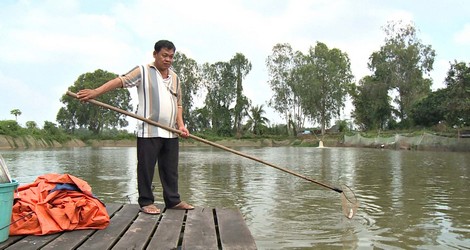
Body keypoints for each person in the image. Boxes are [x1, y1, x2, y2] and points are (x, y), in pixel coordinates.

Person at [77, 40, 194, 214]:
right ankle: (146, 202)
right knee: (146, 167)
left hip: (171, 132)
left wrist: (181, 125)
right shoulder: (143, 71)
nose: (168, 59)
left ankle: (173, 200)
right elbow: (120, 81)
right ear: (155, 54)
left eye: (171, 56)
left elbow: (178, 104)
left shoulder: (175, 77)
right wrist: (95, 92)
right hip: (149, 130)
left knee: (170, 170)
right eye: (164, 55)